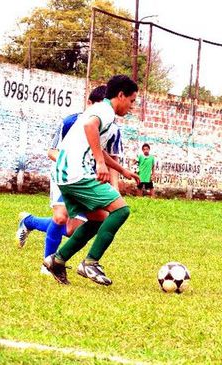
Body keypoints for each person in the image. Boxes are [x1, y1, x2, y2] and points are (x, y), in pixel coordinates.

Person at [43, 74, 140, 286]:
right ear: (121, 95)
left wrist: (122, 170)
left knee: (100, 218)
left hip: (65, 174)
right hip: (76, 173)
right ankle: (90, 262)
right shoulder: (104, 111)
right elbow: (90, 128)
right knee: (121, 210)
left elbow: (96, 143)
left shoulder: (100, 111)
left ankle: (57, 261)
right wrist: (100, 163)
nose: (132, 107)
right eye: (132, 101)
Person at [15, 85, 119, 275]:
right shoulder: (71, 122)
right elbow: (52, 151)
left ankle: (30, 221)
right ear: (89, 104)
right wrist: (74, 162)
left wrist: (115, 186)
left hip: (86, 179)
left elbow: (111, 158)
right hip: (64, 174)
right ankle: (48, 264)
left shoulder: (112, 127)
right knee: (60, 217)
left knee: (72, 229)